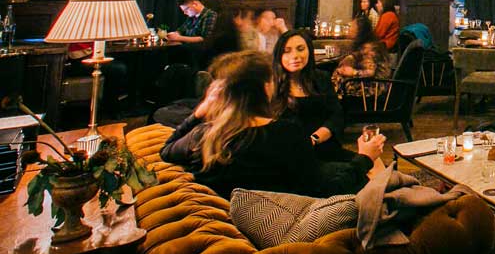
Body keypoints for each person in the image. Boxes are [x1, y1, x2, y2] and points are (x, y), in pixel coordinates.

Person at [159, 51, 385, 198]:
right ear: (265, 87)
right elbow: (322, 191)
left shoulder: (206, 136)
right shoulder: (285, 135)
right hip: (287, 226)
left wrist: (199, 113)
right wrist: (364, 158)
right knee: (374, 179)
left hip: (235, 219)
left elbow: (167, 151)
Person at [272, 29, 352, 162]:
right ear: (279, 55)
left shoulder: (321, 78)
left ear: (309, 50)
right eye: (287, 51)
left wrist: (315, 138)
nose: (295, 56)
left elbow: (336, 115)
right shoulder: (271, 84)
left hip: (325, 147)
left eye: (300, 49)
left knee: (375, 166)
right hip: (289, 156)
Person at [63, 0, 129, 116]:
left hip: (87, 57)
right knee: (119, 69)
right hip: (77, 62)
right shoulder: (80, 19)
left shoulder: (89, 17)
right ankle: (110, 108)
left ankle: (115, 104)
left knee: (121, 66)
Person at [333, 16, 390, 98]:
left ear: (359, 31)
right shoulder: (366, 45)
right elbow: (357, 56)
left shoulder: (369, 48)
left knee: (338, 80)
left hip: (374, 88)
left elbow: (370, 72)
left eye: (352, 28)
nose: (349, 30)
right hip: (373, 84)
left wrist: (352, 72)